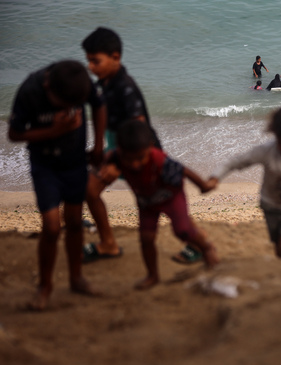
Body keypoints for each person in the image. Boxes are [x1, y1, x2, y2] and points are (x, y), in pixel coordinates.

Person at [8, 60, 106, 310]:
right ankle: (45, 286)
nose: (71, 109)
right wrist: (54, 130)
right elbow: (15, 134)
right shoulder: (30, 90)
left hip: (74, 163)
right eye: (65, 105)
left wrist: (97, 146)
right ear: (49, 88)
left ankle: (76, 278)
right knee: (51, 227)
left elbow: (99, 105)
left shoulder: (78, 82)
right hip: (45, 165)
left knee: (74, 221)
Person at [101, 119, 220, 289]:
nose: (135, 164)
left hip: (172, 197)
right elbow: (102, 164)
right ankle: (152, 275)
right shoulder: (115, 157)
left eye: (140, 158)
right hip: (146, 203)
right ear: (119, 150)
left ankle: (207, 248)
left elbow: (183, 170)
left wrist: (203, 185)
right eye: (129, 159)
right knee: (146, 238)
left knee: (183, 230)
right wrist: (106, 168)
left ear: (150, 147)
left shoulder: (160, 160)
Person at [82, 27, 163, 262]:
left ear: (115, 57)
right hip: (116, 150)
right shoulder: (103, 84)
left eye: (95, 61)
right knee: (90, 189)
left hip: (140, 152)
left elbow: (139, 128)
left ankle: (196, 241)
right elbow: (101, 116)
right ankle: (108, 243)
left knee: (157, 203)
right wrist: (98, 151)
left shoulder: (125, 88)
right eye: (88, 61)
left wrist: (117, 161)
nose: (90, 67)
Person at [207, 105, 281, 259]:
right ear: (275, 135)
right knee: (278, 245)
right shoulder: (266, 151)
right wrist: (215, 177)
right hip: (270, 205)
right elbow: (235, 162)